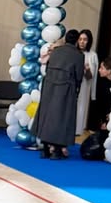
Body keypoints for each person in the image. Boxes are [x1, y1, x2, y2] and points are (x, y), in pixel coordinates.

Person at [34, 27, 84, 158]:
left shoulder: (55, 51)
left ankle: (45, 148)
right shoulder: (78, 55)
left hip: (49, 85)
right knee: (62, 117)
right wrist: (76, 91)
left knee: (46, 115)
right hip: (66, 87)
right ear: (76, 41)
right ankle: (56, 150)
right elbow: (79, 76)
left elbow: (48, 67)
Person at [76, 29, 98, 135]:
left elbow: (91, 77)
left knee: (80, 108)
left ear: (89, 41)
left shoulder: (92, 55)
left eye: (85, 39)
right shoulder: (74, 52)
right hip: (71, 85)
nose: (82, 42)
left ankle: (77, 131)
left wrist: (87, 69)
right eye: (80, 39)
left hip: (83, 86)